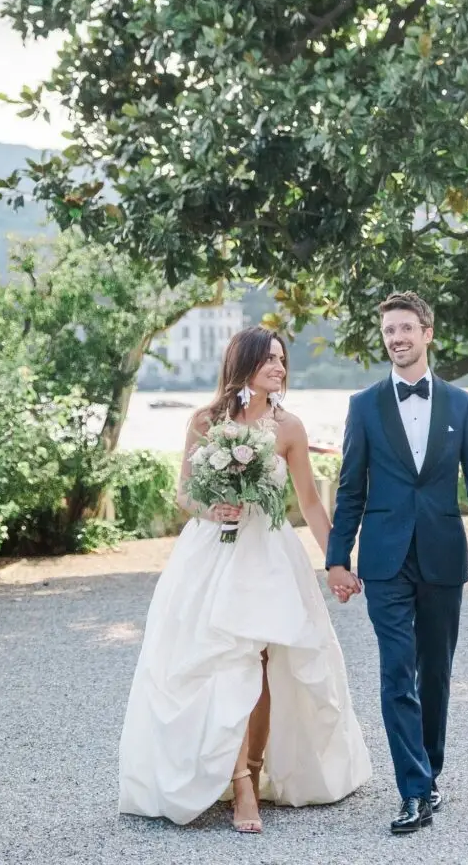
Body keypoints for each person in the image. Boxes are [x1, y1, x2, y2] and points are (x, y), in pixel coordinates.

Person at [119, 326, 371, 833]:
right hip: (211, 551)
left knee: (262, 660)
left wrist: (338, 561)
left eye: (283, 359)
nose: (280, 367)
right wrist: (212, 509)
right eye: (270, 359)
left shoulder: (289, 427)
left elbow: (309, 503)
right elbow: (184, 494)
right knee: (221, 660)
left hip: (269, 552)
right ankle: (236, 784)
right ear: (244, 364)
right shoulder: (205, 421)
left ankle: (252, 776)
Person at [326, 291, 468, 835]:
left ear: (427, 333)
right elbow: (350, 489)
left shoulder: (461, 405)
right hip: (383, 560)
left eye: (406, 328)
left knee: (436, 671)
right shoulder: (363, 406)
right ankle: (412, 790)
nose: (397, 338)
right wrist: (338, 559)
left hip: (442, 557)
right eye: (389, 331)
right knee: (395, 671)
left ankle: (430, 772)